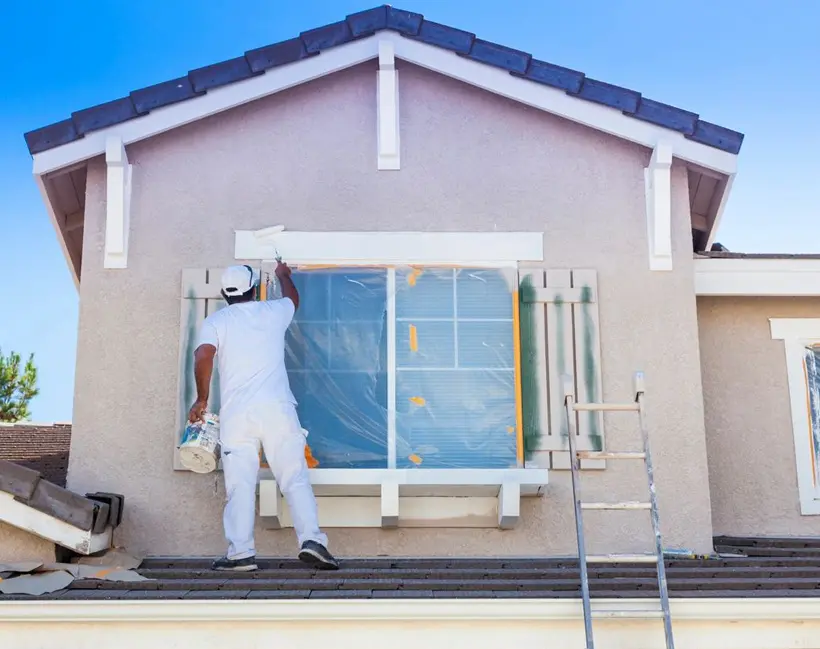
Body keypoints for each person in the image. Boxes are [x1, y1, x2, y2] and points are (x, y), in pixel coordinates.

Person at [188, 262, 339, 571]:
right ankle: (313, 541)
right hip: (277, 410)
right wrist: (284, 275)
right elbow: (293, 299)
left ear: (223, 294)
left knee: (240, 485)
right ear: (255, 289)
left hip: (237, 416)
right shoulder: (273, 312)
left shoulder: (216, 321)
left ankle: (241, 553)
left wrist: (201, 399)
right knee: (294, 478)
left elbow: (203, 355)